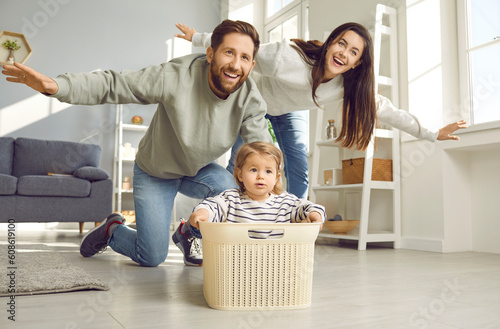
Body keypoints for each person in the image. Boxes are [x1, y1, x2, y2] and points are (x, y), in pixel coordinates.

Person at [2, 19, 273, 267]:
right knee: (152, 256)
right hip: (156, 171)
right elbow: (117, 84)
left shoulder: (250, 99)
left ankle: (187, 233)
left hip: (198, 170)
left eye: (245, 57)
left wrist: (283, 211)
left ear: (251, 64)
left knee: (231, 190)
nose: (236, 64)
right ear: (211, 53)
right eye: (229, 52)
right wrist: (58, 86)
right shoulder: (177, 76)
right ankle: (112, 230)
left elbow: (265, 155)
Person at [175, 22, 468, 199]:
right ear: (330, 44)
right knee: (241, 167)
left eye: (354, 52)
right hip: (256, 105)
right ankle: (231, 221)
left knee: (299, 170)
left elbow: (385, 109)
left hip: (289, 112)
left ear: (356, 64)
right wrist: (198, 38)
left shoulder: (346, 85)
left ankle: (292, 228)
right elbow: (241, 47)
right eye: (342, 44)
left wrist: (430, 133)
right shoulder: (286, 59)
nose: (344, 53)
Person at [183, 141, 325, 241]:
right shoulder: (231, 198)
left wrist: (315, 214)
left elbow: (305, 206)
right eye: (253, 170)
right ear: (240, 175)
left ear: (276, 178)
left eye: (268, 171)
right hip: (238, 264)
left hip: (274, 266)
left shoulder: (285, 202)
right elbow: (213, 205)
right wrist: (203, 212)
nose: (261, 176)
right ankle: (187, 231)